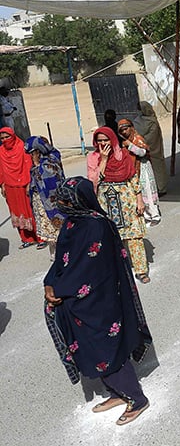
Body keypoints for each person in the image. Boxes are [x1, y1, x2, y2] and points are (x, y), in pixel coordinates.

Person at [43, 176, 152, 426]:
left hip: (99, 299)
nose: (60, 203)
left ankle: (136, 398)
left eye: (64, 200)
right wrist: (49, 282)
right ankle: (117, 392)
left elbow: (88, 268)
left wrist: (60, 288)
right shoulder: (72, 223)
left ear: (78, 201)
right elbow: (62, 260)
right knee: (90, 346)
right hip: (75, 296)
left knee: (104, 346)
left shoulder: (97, 226)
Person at [87, 127, 150, 283]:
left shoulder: (123, 154)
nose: (103, 143)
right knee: (112, 238)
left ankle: (141, 270)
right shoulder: (93, 157)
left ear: (112, 139)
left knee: (134, 235)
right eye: (99, 140)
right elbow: (94, 181)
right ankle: (119, 270)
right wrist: (104, 160)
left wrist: (139, 199)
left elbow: (132, 177)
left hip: (127, 200)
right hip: (106, 203)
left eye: (106, 140)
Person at [24, 136, 64, 256]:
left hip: (51, 205)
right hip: (42, 204)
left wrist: (36, 165)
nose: (31, 156)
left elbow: (47, 183)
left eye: (32, 153)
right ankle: (55, 258)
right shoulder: (41, 163)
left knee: (57, 232)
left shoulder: (49, 161)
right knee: (51, 238)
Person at [118, 119, 161, 226]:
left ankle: (154, 215)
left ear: (131, 127)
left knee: (148, 191)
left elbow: (143, 152)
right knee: (139, 192)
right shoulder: (123, 142)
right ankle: (146, 216)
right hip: (133, 170)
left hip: (143, 167)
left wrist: (131, 146)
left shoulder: (137, 138)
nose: (124, 132)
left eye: (126, 129)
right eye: (121, 130)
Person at [0, 127, 38, 248]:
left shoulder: (22, 148)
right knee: (16, 212)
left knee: (30, 209)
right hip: (10, 186)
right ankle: (26, 238)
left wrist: (29, 184)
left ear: (13, 136)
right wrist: (2, 185)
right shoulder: (1, 151)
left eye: (7, 137)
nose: (5, 140)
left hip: (24, 184)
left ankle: (39, 237)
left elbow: (28, 166)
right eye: (2, 138)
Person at [133, 101, 168, 195]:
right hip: (142, 149)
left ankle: (161, 188)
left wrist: (141, 141)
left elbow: (153, 136)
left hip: (154, 149)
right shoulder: (137, 120)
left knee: (158, 168)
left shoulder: (152, 122)